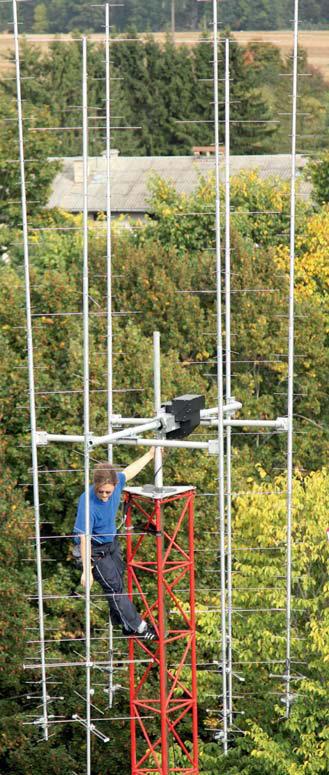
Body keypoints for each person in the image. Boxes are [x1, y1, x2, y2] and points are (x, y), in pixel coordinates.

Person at [74, 447, 157, 641]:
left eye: (108, 492)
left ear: (115, 485)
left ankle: (124, 622)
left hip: (110, 542)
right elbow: (84, 537)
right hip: (93, 550)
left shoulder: (117, 484)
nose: (104, 495)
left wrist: (150, 455)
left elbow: (129, 471)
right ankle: (140, 627)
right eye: (101, 491)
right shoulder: (87, 502)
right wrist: (87, 570)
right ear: (95, 486)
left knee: (118, 579)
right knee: (114, 589)